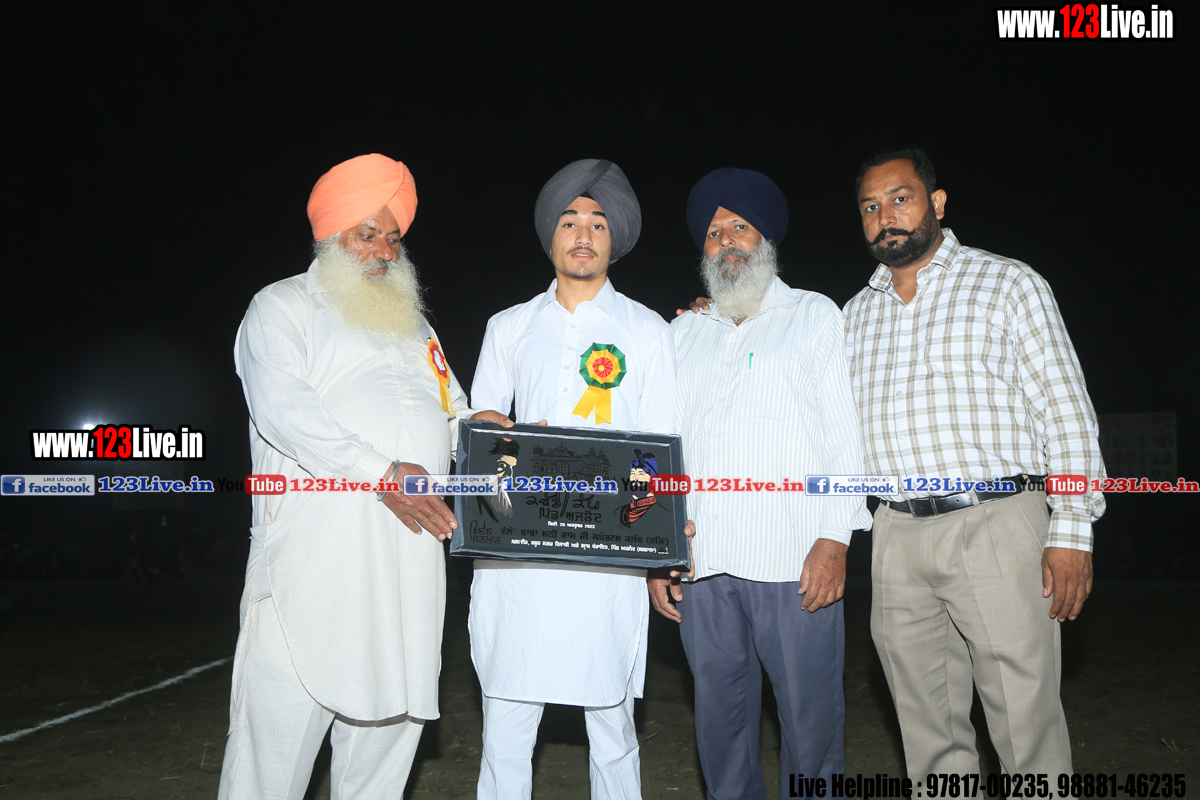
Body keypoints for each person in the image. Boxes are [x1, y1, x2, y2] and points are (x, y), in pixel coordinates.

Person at [221, 153, 506, 800]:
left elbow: (451, 413)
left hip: (408, 565)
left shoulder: (414, 326)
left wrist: (480, 429)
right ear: (330, 234)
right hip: (312, 566)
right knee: (269, 764)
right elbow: (284, 411)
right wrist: (381, 473)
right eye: (367, 233)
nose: (384, 250)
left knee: (384, 756)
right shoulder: (282, 306)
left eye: (393, 237)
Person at [843, 148, 1105, 781]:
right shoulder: (852, 316)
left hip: (996, 523)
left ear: (936, 202)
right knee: (927, 734)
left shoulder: (1007, 284)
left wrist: (1072, 529)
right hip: (896, 536)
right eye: (870, 207)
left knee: (1025, 728)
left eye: (900, 199)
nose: (885, 217)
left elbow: (1065, 410)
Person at [652, 168, 871, 798]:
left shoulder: (813, 315)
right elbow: (662, 448)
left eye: (739, 227)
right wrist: (657, 551)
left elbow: (843, 434)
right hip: (703, 562)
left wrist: (835, 538)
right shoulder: (682, 333)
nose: (725, 241)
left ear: (765, 238)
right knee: (720, 728)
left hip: (794, 561)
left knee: (811, 724)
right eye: (713, 232)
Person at [469, 159, 677, 798]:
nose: (583, 235)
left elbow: (662, 443)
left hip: (608, 554)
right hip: (519, 558)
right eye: (569, 221)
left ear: (615, 239)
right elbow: (477, 434)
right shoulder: (508, 326)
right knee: (507, 720)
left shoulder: (647, 330)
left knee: (611, 720)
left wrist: (658, 550)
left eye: (598, 223)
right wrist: (497, 433)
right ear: (550, 236)